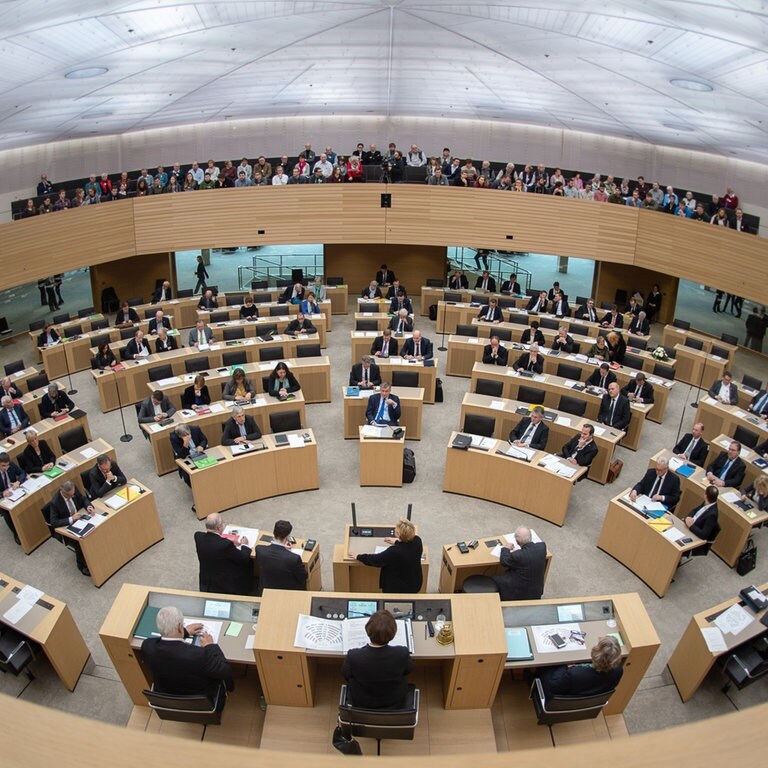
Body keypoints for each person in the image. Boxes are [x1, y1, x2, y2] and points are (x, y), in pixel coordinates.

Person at [141, 605, 234, 703]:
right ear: (180, 627)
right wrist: (210, 647)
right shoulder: (199, 655)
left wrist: (184, 632)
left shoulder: (147, 646)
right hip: (200, 700)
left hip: (167, 697)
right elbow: (225, 670)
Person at [342, 609, 413, 709]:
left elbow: (347, 675)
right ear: (392, 634)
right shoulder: (402, 653)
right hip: (394, 702)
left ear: (368, 630)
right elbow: (408, 670)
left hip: (362, 702)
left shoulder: (353, 656)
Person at [538, 636, 623, 699]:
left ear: (596, 653)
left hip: (562, 694)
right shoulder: (619, 670)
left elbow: (553, 686)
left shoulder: (574, 674)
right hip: (587, 696)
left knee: (544, 667)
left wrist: (565, 666)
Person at [355, 518, 423, 593]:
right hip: (415, 584)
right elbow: (407, 547)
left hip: (397, 589)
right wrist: (397, 542)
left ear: (398, 534)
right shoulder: (417, 541)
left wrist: (358, 556)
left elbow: (376, 560)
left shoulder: (394, 552)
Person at [195, 513, 253, 595]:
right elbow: (243, 558)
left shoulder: (198, 536)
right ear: (218, 527)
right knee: (249, 562)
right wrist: (244, 544)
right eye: (222, 524)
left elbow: (211, 540)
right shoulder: (225, 545)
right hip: (223, 584)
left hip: (206, 580)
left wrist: (222, 539)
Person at [48, 480, 94, 575]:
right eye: (70, 495)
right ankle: (82, 565)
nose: (73, 496)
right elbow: (54, 522)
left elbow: (83, 498)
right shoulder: (55, 502)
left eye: (73, 494)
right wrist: (71, 519)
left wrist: (89, 506)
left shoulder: (73, 489)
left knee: (94, 528)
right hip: (68, 526)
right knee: (79, 541)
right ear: (64, 493)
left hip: (81, 518)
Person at [491, 526, 547, 600]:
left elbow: (504, 561)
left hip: (520, 593)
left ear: (517, 542)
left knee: (495, 578)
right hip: (536, 592)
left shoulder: (518, 555)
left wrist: (506, 548)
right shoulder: (542, 547)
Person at [255, 520, 306, 592]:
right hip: (288, 590)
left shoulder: (259, 549)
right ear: (287, 536)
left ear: (273, 532)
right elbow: (303, 576)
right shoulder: (294, 558)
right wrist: (286, 551)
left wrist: (283, 549)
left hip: (267, 587)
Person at [0, 453, 27, 545]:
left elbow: (22, 472)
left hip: (14, 491)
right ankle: (16, 533)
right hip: (2, 497)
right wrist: (2, 494)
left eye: (7, 465)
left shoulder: (11, 465)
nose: (6, 468)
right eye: (3, 466)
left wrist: (18, 481)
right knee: (6, 511)